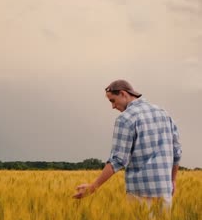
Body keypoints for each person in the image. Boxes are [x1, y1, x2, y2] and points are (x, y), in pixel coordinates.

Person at [73, 80, 182, 209]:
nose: (113, 106)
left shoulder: (126, 118)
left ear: (123, 94)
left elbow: (118, 160)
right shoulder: (164, 113)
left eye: (112, 100)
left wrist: (93, 187)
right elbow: (177, 152)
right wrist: (172, 180)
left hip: (140, 194)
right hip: (165, 191)